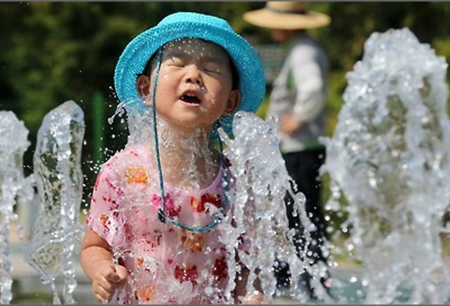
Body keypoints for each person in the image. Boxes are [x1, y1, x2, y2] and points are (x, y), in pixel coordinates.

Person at [80, 12, 266, 304]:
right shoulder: (122, 173)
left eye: (212, 69)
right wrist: (102, 269)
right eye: (177, 64)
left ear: (231, 101)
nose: (193, 75)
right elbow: (94, 246)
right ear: (145, 89)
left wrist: (251, 294)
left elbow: (246, 262)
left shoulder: (236, 181)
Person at [243, 1, 332, 298]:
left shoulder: (303, 52)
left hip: (299, 147)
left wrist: (298, 118)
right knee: (295, 211)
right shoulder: (301, 48)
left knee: (301, 212)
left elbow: (313, 88)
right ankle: (302, 275)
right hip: (299, 148)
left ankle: (311, 277)